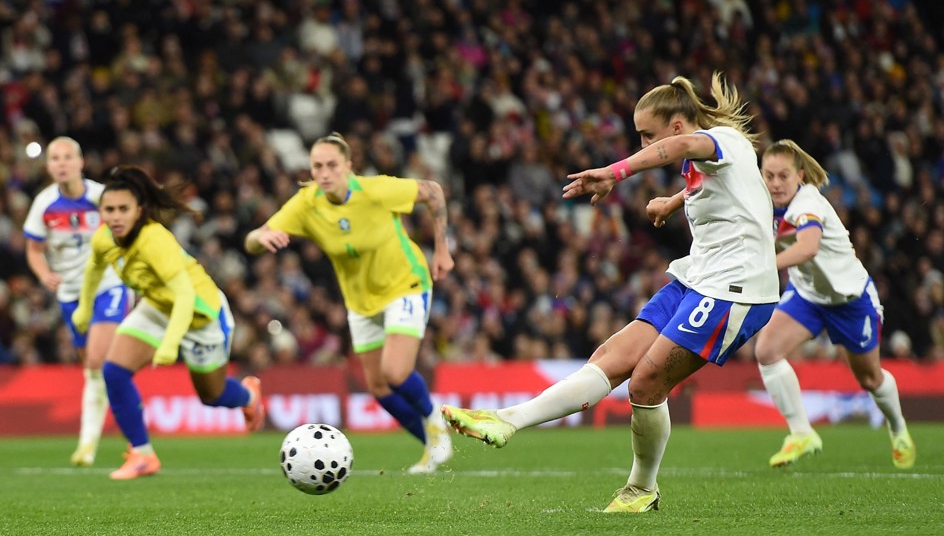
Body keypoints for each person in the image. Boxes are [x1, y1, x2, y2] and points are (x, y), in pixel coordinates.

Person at [441, 72, 779, 512]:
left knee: (646, 382)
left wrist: (615, 172)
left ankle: (641, 489)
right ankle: (507, 420)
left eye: (646, 135)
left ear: (677, 126)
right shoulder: (706, 163)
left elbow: (682, 149)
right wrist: (674, 201)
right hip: (698, 278)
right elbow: (719, 185)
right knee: (610, 357)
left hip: (738, 289)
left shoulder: (720, 141)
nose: (642, 145)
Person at [245, 132, 455, 474]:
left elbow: (433, 191)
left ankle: (435, 421)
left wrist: (442, 249)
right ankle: (433, 445)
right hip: (360, 301)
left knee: (395, 372)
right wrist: (261, 237)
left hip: (406, 283)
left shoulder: (375, 190)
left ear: (348, 166)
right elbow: (251, 240)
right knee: (378, 387)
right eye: (317, 166)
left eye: (332, 165)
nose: (324, 173)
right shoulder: (306, 203)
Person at [72, 165, 265, 480]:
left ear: (139, 211)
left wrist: (171, 343)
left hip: (202, 316)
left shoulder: (154, 241)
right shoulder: (104, 238)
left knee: (212, 396)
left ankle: (248, 397)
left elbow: (185, 297)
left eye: (124, 209)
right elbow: (94, 269)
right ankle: (142, 454)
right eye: (109, 209)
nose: (116, 216)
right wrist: (84, 307)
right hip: (158, 308)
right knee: (114, 371)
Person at [754, 139, 915, 469]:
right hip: (808, 295)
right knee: (766, 351)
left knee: (869, 379)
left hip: (850, 300)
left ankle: (898, 428)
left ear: (800, 175)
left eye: (783, 176)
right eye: (768, 175)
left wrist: (766, 262)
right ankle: (801, 433)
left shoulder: (807, 203)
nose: (775, 183)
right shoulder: (762, 201)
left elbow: (808, 247)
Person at [23, 137, 133, 467]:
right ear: (49, 166)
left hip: (109, 284)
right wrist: (44, 275)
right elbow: (33, 248)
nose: (61, 163)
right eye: (55, 158)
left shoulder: (102, 197)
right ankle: (91, 443)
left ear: (80, 162)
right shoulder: (44, 204)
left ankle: (94, 443)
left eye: (67, 157)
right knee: (92, 369)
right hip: (71, 292)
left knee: (97, 361)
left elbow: (130, 232)